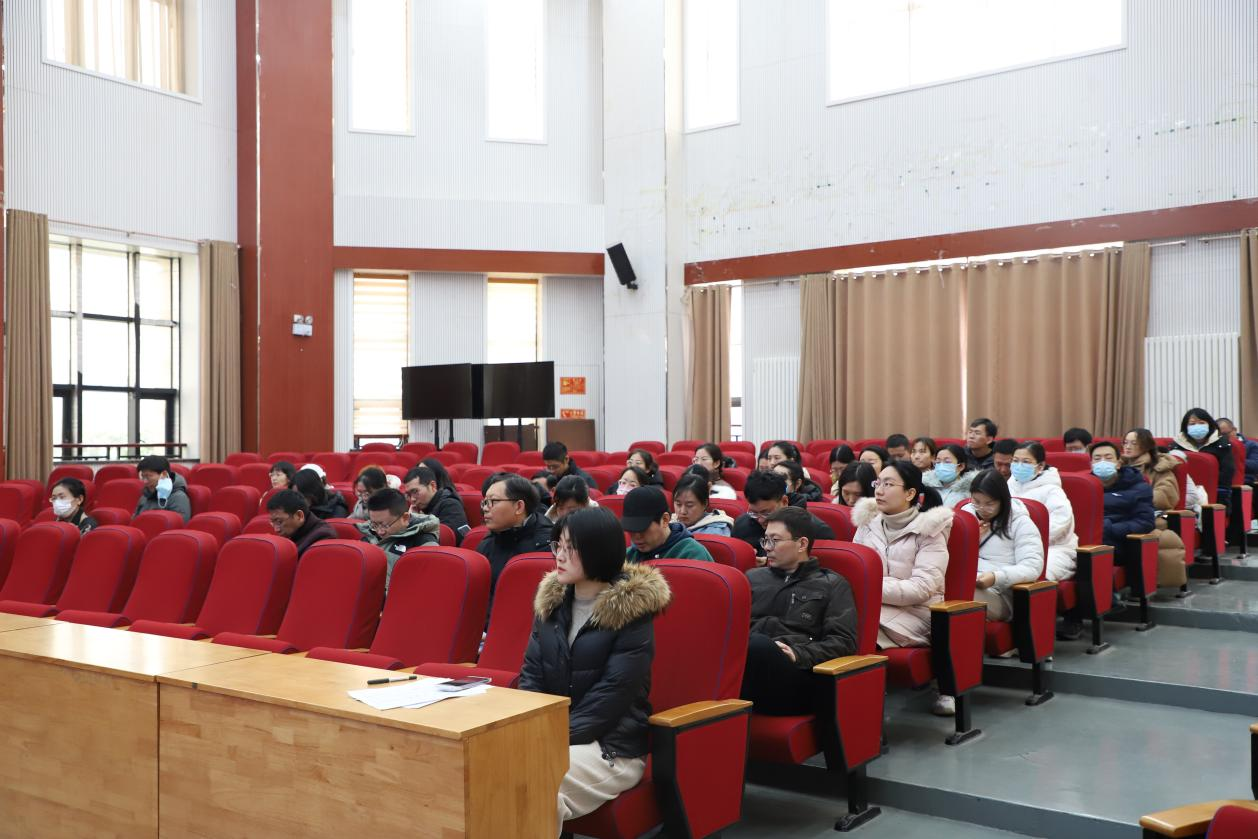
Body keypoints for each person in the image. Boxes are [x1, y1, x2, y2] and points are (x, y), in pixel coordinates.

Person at [519, 508, 670, 827]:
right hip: (553, 737)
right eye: (557, 546)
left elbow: (612, 696)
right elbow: (531, 677)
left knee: (534, 780)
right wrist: (529, 732)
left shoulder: (631, 611)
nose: (559, 556)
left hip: (612, 746)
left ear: (598, 550)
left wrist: (547, 738)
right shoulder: (551, 606)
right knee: (490, 770)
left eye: (570, 548)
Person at [851, 461, 953, 714]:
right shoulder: (868, 524)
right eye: (878, 483)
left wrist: (869, 588)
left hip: (918, 614)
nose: (879, 490)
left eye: (888, 484)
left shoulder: (930, 531)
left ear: (910, 493)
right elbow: (855, 572)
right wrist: (867, 588)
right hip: (875, 608)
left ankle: (862, 712)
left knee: (852, 629)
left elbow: (921, 588)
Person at [741, 506, 859, 715]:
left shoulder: (831, 584)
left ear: (802, 544)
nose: (766, 548)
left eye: (775, 540)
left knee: (759, 645)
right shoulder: (752, 578)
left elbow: (843, 642)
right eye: (765, 540)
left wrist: (797, 654)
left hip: (796, 676)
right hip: (748, 667)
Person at [1058, 441, 1156, 640]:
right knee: (1078, 552)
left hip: (1122, 543)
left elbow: (1145, 522)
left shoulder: (1138, 486)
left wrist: (1110, 528)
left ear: (1119, 462)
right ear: (1091, 464)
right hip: (1087, 541)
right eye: (1097, 458)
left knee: (1090, 551)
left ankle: (1076, 617)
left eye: (1108, 458)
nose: (1102, 462)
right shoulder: (1084, 485)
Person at [960, 470, 1043, 623]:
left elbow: (1032, 566)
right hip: (968, 580)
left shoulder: (1021, 523)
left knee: (960, 594)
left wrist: (996, 577)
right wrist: (972, 540)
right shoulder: (966, 516)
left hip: (1001, 593)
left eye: (990, 504)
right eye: (976, 501)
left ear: (1003, 500)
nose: (982, 509)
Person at [1122, 428, 1188, 589]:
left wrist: (1135, 499)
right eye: (1125, 443)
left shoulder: (1159, 467)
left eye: (1133, 443)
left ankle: (1146, 582)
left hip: (1152, 513)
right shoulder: (1118, 466)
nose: (1128, 447)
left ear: (1146, 446)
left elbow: (1167, 495)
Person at [1007, 441, 1078, 581]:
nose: (1019, 465)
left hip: (1053, 548)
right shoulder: (1008, 486)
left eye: (1026, 462)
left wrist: (1026, 539)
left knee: (1032, 575)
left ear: (1040, 466)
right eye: (1015, 461)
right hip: (1011, 545)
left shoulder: (1052, 490)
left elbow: (1059, 524)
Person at [477, 474, 553, 594]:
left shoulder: (547, 546)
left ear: (519, 506)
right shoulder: (487, 542)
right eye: (485, 502)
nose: (485, 508)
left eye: (493, 501)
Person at [732, 471, 836, 558]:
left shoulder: (817, 530)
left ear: (785, 501)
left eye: (766, 513)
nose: (760, 520)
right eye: (754, 513)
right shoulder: (741, 525)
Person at [355, 488, 440, 591]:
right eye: (375, 525)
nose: (380, 531)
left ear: (405, 518)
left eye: (385, 525)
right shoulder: (369, 535)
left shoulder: (424, 543)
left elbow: (426, 587)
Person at [622, 486, 713, 562]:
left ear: (665, 520)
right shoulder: (626, 557)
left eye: (642, 529)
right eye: (631, 529)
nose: (637, 536)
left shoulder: (692, 555)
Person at [1171, 408, 1235, 507]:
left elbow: (1227, 472)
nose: (1197, 426)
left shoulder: (1221, 444)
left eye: (1201, 423)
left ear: (1209, 424)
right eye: (1192, 424)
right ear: (1185, 427)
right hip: (1185, 493)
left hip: (1216, 493)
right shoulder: (1177, 446)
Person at [402, 465, 470, 542]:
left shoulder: (451, 505)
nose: (412, 499)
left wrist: (416, 520)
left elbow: (446, 540)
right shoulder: (421, 507)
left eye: (415, 491)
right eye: (408, 494)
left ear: (433, 486)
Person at [266, 489, 336, 557]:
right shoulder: (292, 532)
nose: (276, 529)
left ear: (299, 516)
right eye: (272, 522)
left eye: (279, 522)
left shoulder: (323, 536)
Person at [134, 455, 192, 522]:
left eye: (149, 476)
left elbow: (179, 524)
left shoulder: (178, 497)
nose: (145, 481)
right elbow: (135, 520)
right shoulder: (145, 495)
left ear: (164, 474)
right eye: (143, 477)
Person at [923, 443, 976, 510]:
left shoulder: (971, 490)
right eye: (938, 462)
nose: (941, 466)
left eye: (947, 462)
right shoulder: (925, 486)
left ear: (961, 466)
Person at [1218, 418, 1258, 484]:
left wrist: (1233, 459)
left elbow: (1255, 466)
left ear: (1234, 430)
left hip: (1244, 482)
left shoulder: (1251, 445)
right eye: (1219, 435)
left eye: (1225, 434)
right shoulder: (1215, 445)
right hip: (1220, 481)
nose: (1223, 438)